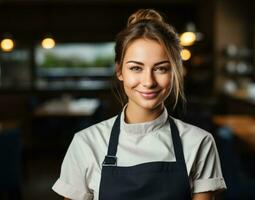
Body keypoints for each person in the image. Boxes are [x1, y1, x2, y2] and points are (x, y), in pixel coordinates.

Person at [52, 9, 226, 200]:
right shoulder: (87, 143)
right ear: (120, 71)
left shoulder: (199, 142)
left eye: (161, 68)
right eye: (136, 68)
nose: (148, 81)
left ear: (175, 72)